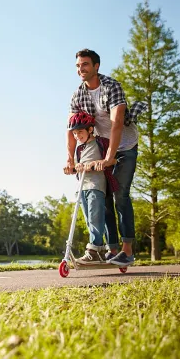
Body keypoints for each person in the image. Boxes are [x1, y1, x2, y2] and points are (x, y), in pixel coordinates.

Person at [64, 49, 147, 266]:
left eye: (85, 65)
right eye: (78, 66)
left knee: (120, 194)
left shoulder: (111, 86)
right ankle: (110, 250)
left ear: (96, 66)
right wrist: (70, 160)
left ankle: (127, 251)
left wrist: (111, 157)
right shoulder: (77, 95)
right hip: (102, 148)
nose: (81, 69)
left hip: (125, 146)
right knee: (104, 196)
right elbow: (71, 128)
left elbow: (116, 122)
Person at [66, 111, 118, 264]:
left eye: (80, 132)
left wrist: (99, 163)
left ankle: (93, 250)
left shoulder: (102, 143)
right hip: (81, 188)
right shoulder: (79, 149)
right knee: (89, 221)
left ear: (90, 129)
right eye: (74, 133)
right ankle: (100, 250)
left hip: (96, 185)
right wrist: (73, 167)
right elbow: (75, 165)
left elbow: (114, 160)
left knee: (96, 218)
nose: (77, 136)